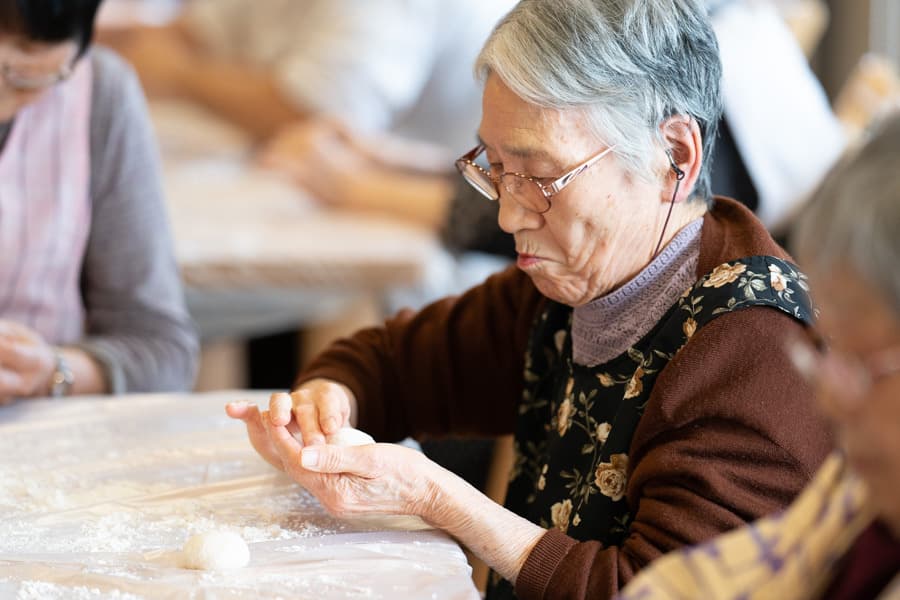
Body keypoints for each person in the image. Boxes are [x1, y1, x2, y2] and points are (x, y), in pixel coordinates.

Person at [225, 1, 832, 598]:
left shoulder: (755, 353)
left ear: (673, 154)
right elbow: (388, 363)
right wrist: (330, 403)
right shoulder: (570, 289)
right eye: (495, 168)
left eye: (542, 179)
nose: (510, 213)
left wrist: (437, 497)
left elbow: (648, 591)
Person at [616, 112, 900, 600]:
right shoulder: (857, 488)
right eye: (827, 350)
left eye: (859, 367)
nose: (830, 399)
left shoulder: (744, 326)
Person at [0, 0, 198, 403]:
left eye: (27, 82)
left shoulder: (99, 95)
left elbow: (163, 351)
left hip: (43, 440)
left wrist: (51, 371)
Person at [105, 0, 517, 153]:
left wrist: (182, 77)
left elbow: (322, 114)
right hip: (321, 190)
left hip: (446, 230)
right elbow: (194, 33)